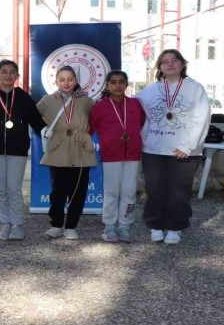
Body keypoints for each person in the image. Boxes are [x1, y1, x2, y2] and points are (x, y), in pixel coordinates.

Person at [136, 49, 210, 245]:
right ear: (159, 67)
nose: (169, 64)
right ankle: (155, 225)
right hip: (153, 149)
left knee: (179, 192)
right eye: (165, 61)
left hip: (184, 151)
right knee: (154, 190)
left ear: (182, 64)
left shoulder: (195, 88)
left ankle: (176, 227)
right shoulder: (149, 90)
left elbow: (202, 118)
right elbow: (129, 106)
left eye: (174, 60)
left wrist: (188, 146)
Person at [0, 60, 46, 241]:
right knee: (0, 189)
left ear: (17, 76)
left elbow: (36, 121)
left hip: (18, 149)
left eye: (12, 72)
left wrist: (51, 132)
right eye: (4, 72)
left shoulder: (23, 97)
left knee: (14, 188)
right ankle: (5, 223)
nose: (8, 75)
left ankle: (17, 225)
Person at [36, 66, 97, 240]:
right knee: (58, 190)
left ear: (76, 81)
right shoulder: (47, 101)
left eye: (70, 79)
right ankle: (56, 224)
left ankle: (71, 226)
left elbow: (97, 119)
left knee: (78, 190)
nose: (66, 83)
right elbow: (32, 115)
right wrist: (44, 130)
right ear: (56, 81)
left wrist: (86, 135)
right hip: (58, 148)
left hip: (81, 149)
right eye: (62, 79)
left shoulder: (86, 101)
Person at [89, 71, 145, 243]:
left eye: (121, 82)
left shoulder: (135, 104)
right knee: (111, 191)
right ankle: (109, 225)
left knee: (129, 191)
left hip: (132, 154)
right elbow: (90, 127)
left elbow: (141, 123)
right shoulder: (100, 106)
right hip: (111, 154)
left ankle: (125, 225)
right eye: (113, 82)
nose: (118, 85)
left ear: (126, 84)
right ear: (107, 85)